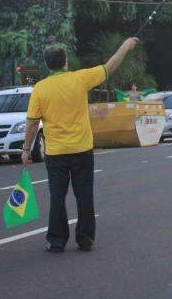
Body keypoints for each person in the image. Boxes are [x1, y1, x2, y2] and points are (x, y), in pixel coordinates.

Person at [22, 38, 139, 253]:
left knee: (57, 196)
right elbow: (110, 67)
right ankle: (85, 239)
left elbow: (31, 123)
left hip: (55, 152)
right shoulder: (80, 79)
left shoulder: (40, 88)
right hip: (82, 149)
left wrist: (26, 149)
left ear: (48, 65)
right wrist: (125, 46)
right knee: (84, 195)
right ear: (65, 62)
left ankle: (56, 241)